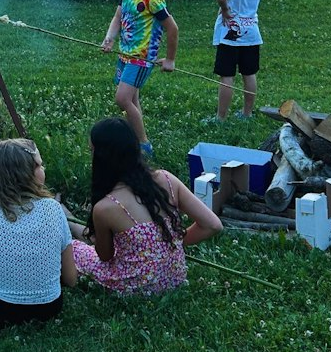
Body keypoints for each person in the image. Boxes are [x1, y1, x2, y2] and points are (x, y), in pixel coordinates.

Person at [70, 117, 222, 295]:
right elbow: (213, 225)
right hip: (174, 277)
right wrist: (169, 244)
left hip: (135, 285)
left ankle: (67, 221)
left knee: (73, 248)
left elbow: (105, 256)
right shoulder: (167, 179)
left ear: (101, 158)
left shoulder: (106, 207)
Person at [0, 138, 77, 328]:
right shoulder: (54, 209)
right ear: (28, 174)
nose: (44, 169)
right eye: (40, 165)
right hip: (49, 308)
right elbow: (70, 279)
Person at [101, 0, 178, 156]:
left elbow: (172, 29)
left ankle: (144, 145)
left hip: (141, 58)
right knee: (132, 99)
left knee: (122, 99)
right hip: (126, 53)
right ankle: (135, 138)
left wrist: (170, 59)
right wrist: (110, 38)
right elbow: (118, 17)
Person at [213, 0, 265, 120]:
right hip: (251, 33)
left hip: (230, 35)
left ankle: (221, 117)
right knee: (249, 73)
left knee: (227, 76)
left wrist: (225, 10)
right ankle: (247, 113)